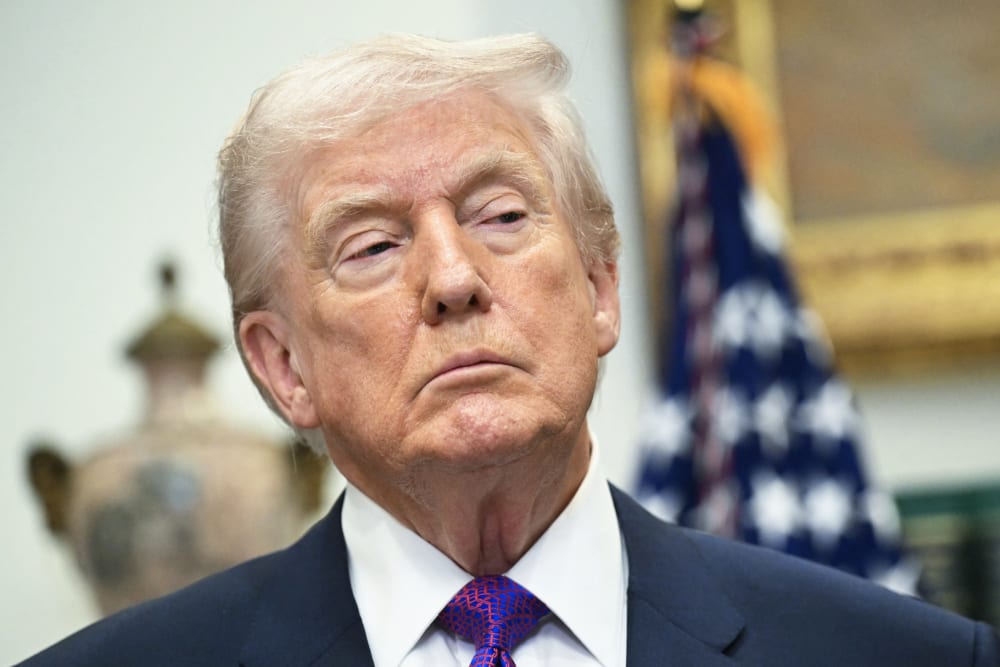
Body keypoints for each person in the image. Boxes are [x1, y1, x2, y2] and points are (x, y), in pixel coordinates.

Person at [20, 33, 998, 667]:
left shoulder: (900, 656)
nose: (453, 277)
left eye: (500, 214)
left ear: (599, 288)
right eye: (372, 245)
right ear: (283, 367)